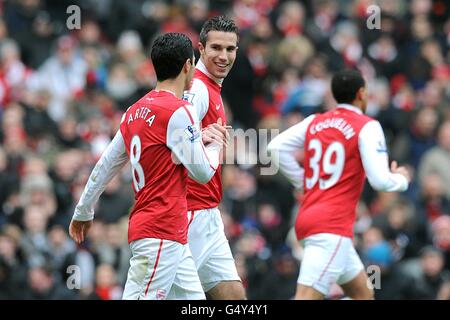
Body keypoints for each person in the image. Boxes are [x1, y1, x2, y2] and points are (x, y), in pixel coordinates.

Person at [69, 32, 229, 300]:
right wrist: (215, 142)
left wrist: (83, 209)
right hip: (160, 231)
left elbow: (107, 163)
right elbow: (201, 173)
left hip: (168, 233)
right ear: (188, 66)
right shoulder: (180, 111)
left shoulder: (134, 111)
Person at [268, 69, 411, 300]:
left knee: (363, 293)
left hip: (307, 222)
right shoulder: (367, 126)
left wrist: (303, 184)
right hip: (331, 228)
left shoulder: (316, 121)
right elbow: (380, 181)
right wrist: (402, 179)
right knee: (305, 296)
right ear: (362, 93)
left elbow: (274, 148)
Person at [182, 16, 246, 299]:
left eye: (230, 49)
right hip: (189, 214)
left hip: (209, 213)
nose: (224, 56)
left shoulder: (212, 89)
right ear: (200, 49)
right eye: (216, 48)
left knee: (234, 296)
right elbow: (179, 142)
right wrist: (198, 135)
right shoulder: (197, 89)